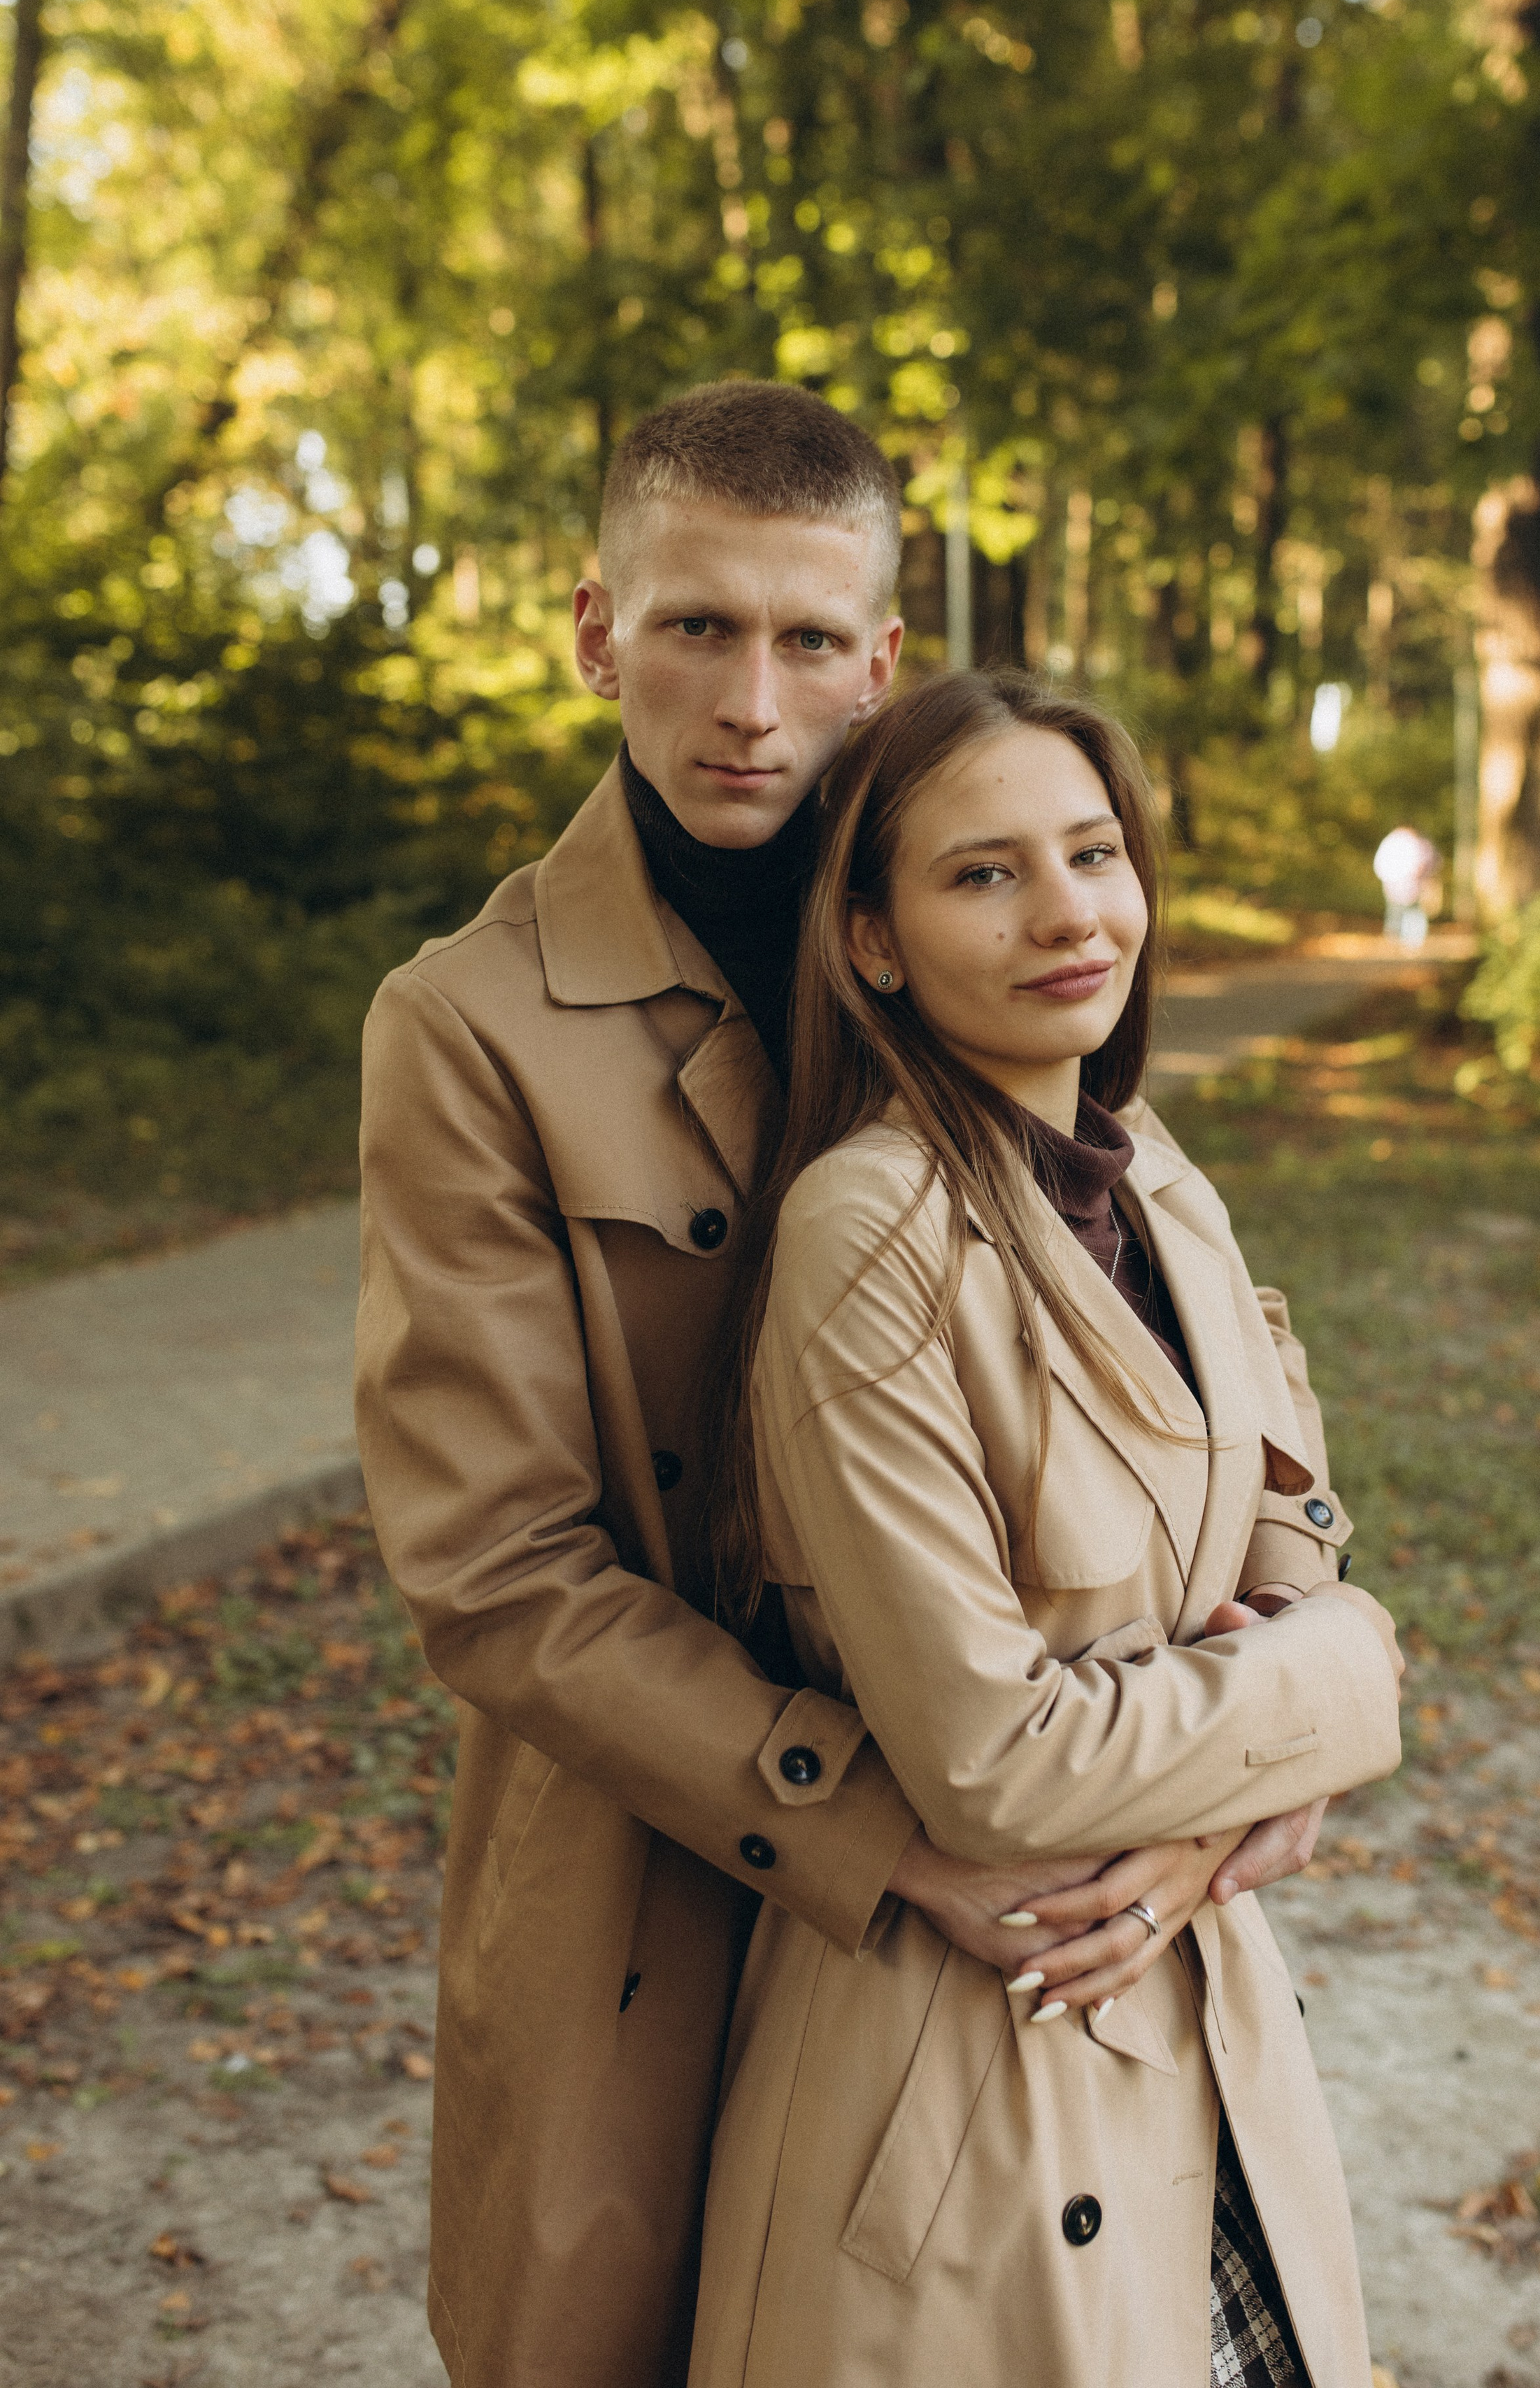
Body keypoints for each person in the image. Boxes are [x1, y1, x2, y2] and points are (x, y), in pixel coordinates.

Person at [354, 383, 1331, 2388]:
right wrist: (904, 1833)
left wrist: (1244, 1753)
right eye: (695, 626)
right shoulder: (471, 1023)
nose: (751, 699)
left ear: (879, 656)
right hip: (667, 1862)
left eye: (809, 641)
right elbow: (497, 1569)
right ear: (593, 632)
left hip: (1042, 1822)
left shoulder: (969, 919)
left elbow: (1225, 1355)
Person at [690, 671, 1406, 2388]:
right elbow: (990, 1764)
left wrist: (1224, 1776)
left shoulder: (1146, 1166)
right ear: (869, 939)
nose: (1069, 911)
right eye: (983, 873)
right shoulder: (866, 1231)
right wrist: (1342, 1680)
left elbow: (1285, 1495)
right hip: (975, 2065)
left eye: (1091, 851)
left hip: (1185, 1992)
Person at [1371, 824, 1441, 947]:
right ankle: (1407, 942)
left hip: (1407, 884)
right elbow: (1433, 862)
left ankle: (1405, 941)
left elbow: (1380, 864)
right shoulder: (1418, 842)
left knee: (1406, 912)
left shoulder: (1392, 841)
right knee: (1404, 912)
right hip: (1403, 884)